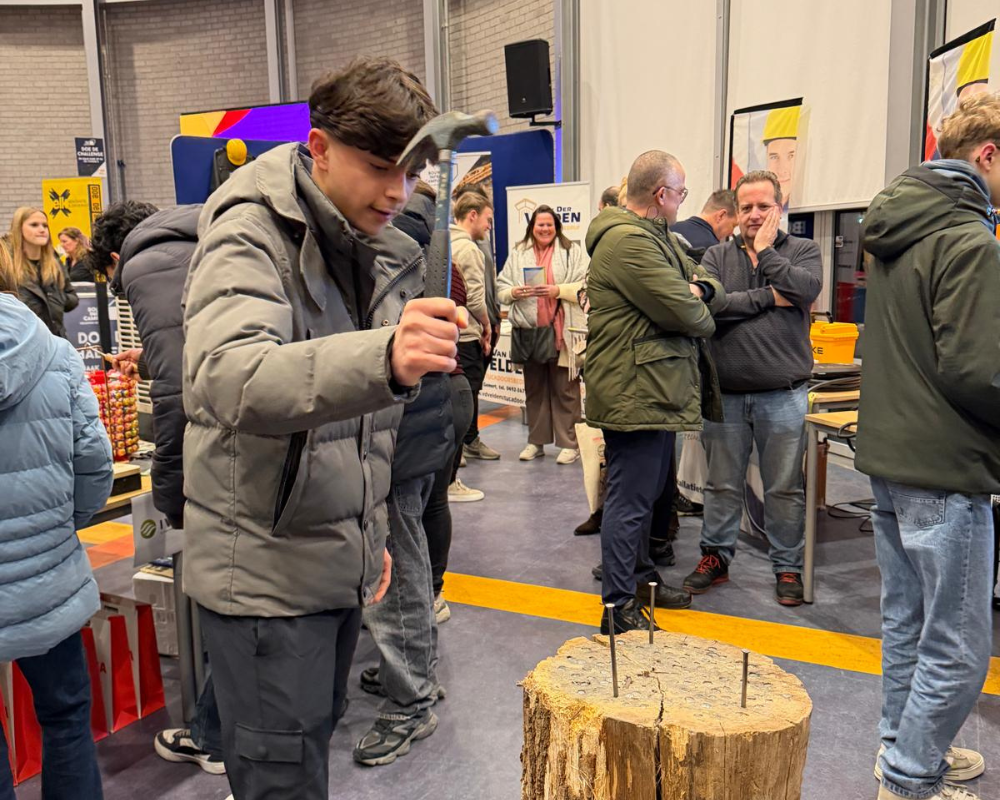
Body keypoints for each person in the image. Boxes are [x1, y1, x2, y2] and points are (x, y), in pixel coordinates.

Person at [180, 57, 454, 800]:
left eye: (412, 172)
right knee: (281, 780)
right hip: (266, 581)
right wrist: (384, 355)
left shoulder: (361, 242)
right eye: (379, 168)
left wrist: (366, 538)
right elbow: (227, 377)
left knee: (305, 761)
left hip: (328, 560)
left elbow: (348, 427)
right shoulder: (250, 234)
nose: (398, 192)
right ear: (321, 147)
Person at [858, 93, 1000, 800]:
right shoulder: (969, 241)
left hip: (888, 458)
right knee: (961, 645)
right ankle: (912, 776)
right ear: (989, 156)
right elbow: (979, 369)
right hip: (944, 466)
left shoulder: (897, 232)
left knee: (908, 625)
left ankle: (904, 750)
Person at [86, 199, 229, 777]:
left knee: (225, 601)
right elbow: (204, 349)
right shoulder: (199, 233)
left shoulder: (144, 268)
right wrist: (148, 360)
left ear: (115, 258)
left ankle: (215, 737)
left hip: (219, 459)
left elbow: (177, 399)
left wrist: (171, 495)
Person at [585, 150, 724, 633]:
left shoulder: (658, 236)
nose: (682, 200)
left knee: (647, 501)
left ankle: (641, 582)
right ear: (661, 194)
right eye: (681, 192)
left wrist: (700, 290)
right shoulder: (628, 243)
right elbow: (691, 318)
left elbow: (709, 284)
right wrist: (697, 304)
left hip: (654, 389)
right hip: (635, 390)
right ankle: (619, 609)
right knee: (629, 503)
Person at [682, 170, 822, 607]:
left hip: (783, 394)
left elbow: (805, 289)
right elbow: (710, 305)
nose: (755, 215)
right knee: (722, 484)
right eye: (746, 208)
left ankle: (787, 566)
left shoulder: (803, 250)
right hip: (725, 395)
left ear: (779, 207)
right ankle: (716, 558)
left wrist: (765, 253)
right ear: (735, 210)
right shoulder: (715, 256)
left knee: (783, 487)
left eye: (764, 206)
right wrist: (767, 297)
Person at [0, 265, 114, 798]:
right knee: (66, 717)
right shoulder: (52, 352)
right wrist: (61, 531)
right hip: (48, 578)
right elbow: (94, 462)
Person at [353, 199, 457, 767]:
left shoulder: (389, 243)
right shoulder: (422, 234)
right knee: (405, 558)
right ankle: (414, 671)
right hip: (413, 424)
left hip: (394, 430)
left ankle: (411, 700)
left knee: (395, 567)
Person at [498, 205, 588, 464]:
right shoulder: (518, 253)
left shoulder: (572, 251)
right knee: (534, 389)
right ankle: (536, 442)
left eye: (549, 224)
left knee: (565, 389)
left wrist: (557, 290)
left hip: (562, 333)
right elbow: (502, 286)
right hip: (530, 334)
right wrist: (514, 293)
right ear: (532, 227)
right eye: (540, 225)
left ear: (556, 227)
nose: (545, 229)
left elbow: (585, 284)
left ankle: (569, 443)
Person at [449, 191, 494, 495]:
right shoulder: (469, 250)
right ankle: (457, 456)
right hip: (466, 335)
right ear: (473, 215)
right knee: (467, 395)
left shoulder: (443, 243)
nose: (489, 227)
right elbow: (476, 297)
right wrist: (487, 325)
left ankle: (463, 448)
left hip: (449, 334)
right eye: (488, 220)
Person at [4, 207, 78, 340]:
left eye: (45, 225)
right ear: (19, 229)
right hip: (20, 342)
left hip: (55, 340)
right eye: (34, 225)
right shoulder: (6, 264)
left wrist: (57, 299)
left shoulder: (54, 262)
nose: (42, 229)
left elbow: (72, 297)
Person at [671, 189, 737, 252]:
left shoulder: (669, 229)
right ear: (721, 215)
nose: (731, 233)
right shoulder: (712, 251)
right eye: (733, 225)